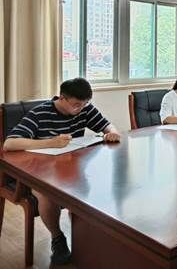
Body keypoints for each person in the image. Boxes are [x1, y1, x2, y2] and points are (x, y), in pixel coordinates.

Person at [2, 78, 121, 265]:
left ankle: (85, 237)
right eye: (76, 105)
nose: (80, 109)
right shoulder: (40, 113)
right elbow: (9, 144)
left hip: (71, 170)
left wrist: (111, 132)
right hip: (38, 172)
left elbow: (107, 125)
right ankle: (57, 238)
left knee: (96, 184)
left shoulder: (85, 109)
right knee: (47, 193)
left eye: (84, 104)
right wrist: (50, 143)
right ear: (62, 98)